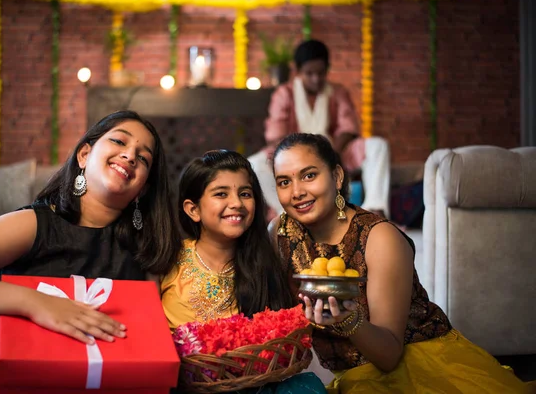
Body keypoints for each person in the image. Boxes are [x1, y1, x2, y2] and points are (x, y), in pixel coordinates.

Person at [0, 110, 182, 392]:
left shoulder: (146, 253)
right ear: (84, 155)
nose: (130, 156)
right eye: (119, 141)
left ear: (142, 189)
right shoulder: (33, 224)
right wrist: (34, 302)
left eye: (143, 158)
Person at [268, 133, 530, 393]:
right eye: (284, 182)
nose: (297, 192)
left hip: (418, 368)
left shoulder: (379, 237)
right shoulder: (279, 232)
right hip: (352, 377)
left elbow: (389, 356)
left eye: (309, 175)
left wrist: (347, 321)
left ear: (336, 176)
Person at [161, 149, 326, 393]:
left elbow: (284, 335)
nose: (237, 203)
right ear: (192, 209)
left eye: (245, 193)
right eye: (221, 194)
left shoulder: (263, 264)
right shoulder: (167, 261)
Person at [249, 39, 390, 220]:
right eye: (309, 73)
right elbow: (276, 135)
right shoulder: (284, 93)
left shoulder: (337, 91)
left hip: (333, 152)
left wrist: (328, 155)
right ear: (298, 71)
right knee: (255, 163)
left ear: (327, 70)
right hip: (292, 156)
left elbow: (348, 128)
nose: (316, 79)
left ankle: (374, 210)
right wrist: (299, 155)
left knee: (378, 145)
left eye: (321, 73)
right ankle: (288, 214)